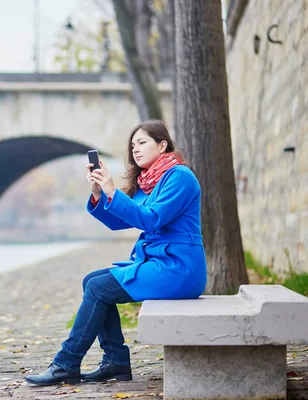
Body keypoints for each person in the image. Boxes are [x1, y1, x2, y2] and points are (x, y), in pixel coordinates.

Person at [25, 119, 207, 386]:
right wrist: (99, 194)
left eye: (142, 142)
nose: (135, 149)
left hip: (179, 268)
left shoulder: (179, 177)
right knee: (92, 282)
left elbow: (150, 219)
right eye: (133, 145)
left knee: (99, 287)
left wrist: (113, 190)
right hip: (160, 263)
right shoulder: (150, 182)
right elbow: (119, 221)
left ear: (163, 144)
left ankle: (66, 363)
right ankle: (115, 362)